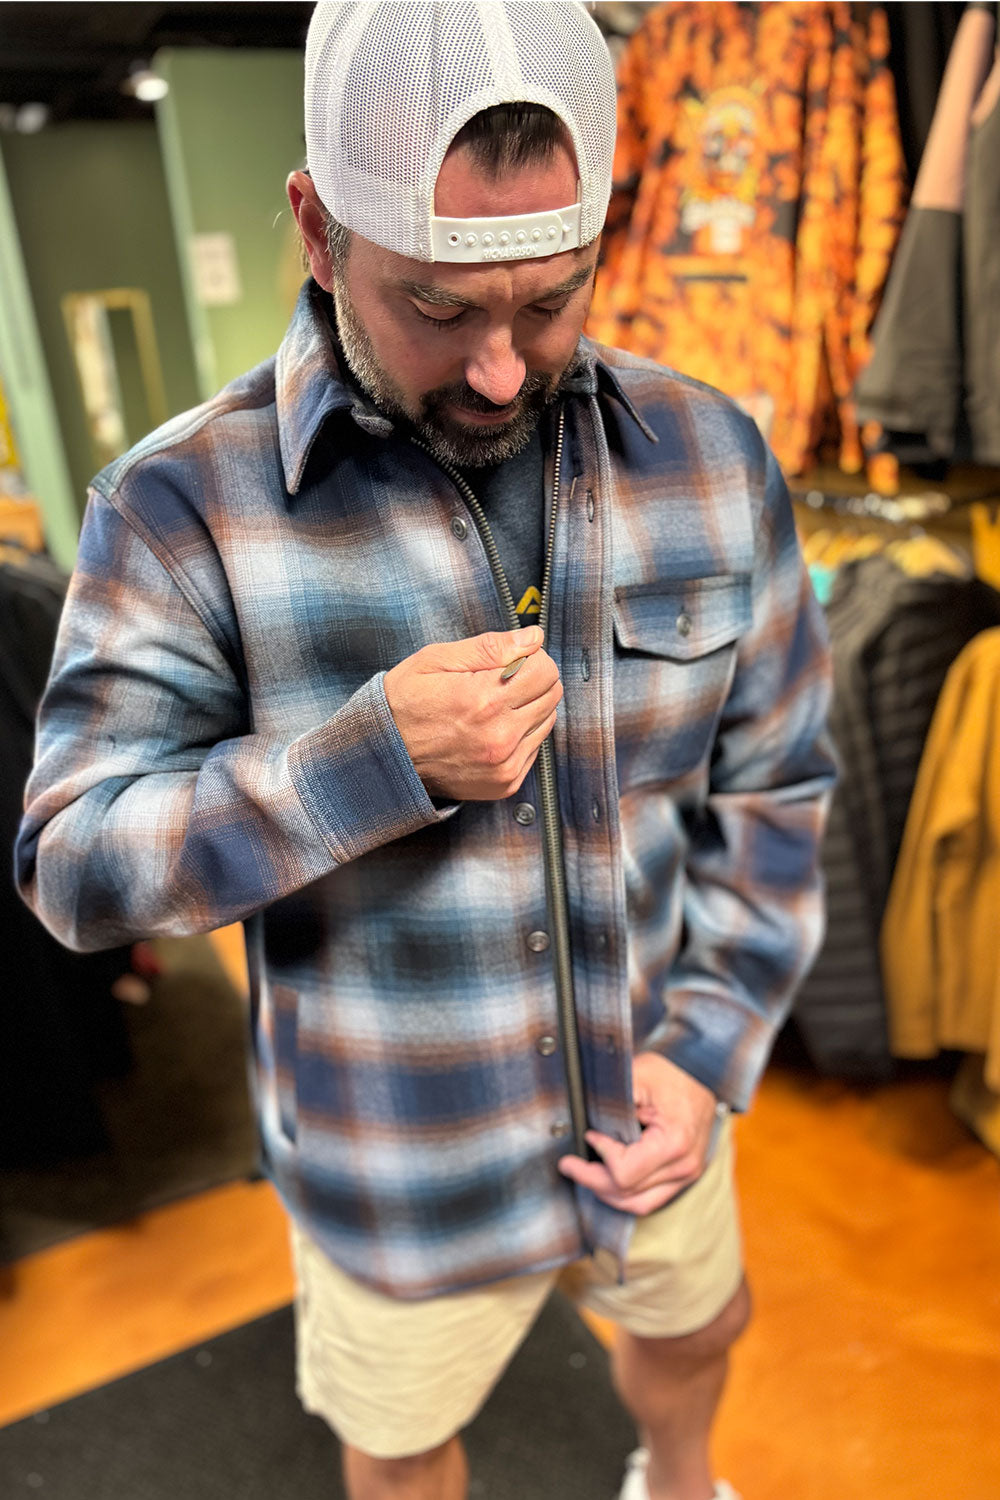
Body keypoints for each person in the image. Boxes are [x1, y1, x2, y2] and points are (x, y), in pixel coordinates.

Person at [15, 3, 835, 1497]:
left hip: (660, 1118)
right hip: (398, 1169)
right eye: (443, 310)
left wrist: (711, 1052)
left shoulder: (714, 457)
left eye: (553, 298)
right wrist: (360, 763)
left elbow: (778, 786)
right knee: (400, 1455)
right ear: (319, 234)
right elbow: (72, 866)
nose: (508, 367)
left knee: (705, 1324)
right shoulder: (181, 510)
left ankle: (680, 1478)